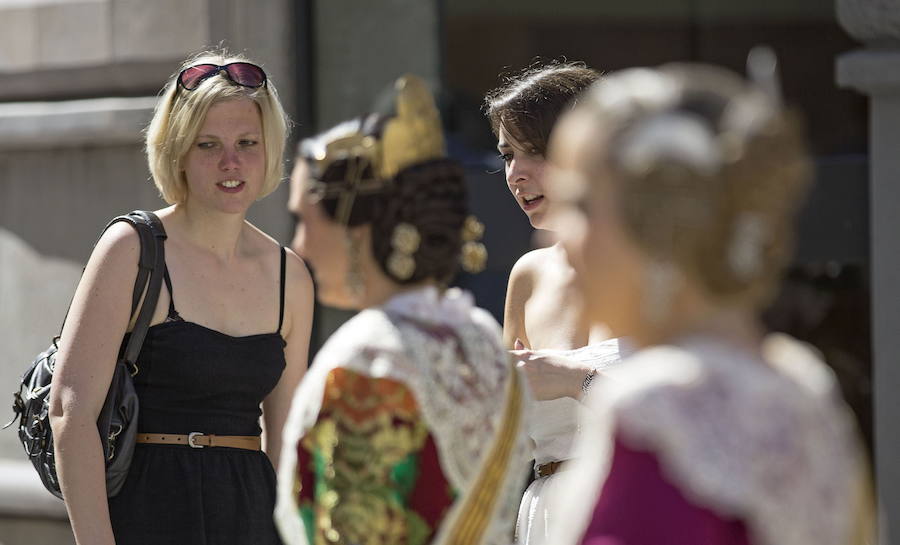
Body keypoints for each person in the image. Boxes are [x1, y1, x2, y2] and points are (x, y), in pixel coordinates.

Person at [545, 58, 872, 545]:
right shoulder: (805, 387)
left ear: (659, 227)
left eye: (580, 206)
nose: (557, 238)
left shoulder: (661, 409)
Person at [48, 50, 313, 545]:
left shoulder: (290, 276)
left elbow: (287, 442)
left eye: (247, 143)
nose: (230, 162)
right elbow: (70, 412)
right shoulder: (131, 247)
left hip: (254, 521)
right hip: (146, 513)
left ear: (270, 148)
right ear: (178, 153)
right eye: (208, 144)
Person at [275, 75, 530, 545]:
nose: (299, 246)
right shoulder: (476, 335)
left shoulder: (371, 357)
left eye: (304, 222)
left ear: (355, 229)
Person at [484, 62, 626, 544]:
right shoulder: (528, 275)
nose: (516, 174)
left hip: (635, 507)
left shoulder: (656, 266)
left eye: (536, 152)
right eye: (507, 155)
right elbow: (503, 443)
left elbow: (690, 414)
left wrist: (571, 380)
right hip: (546, 518)